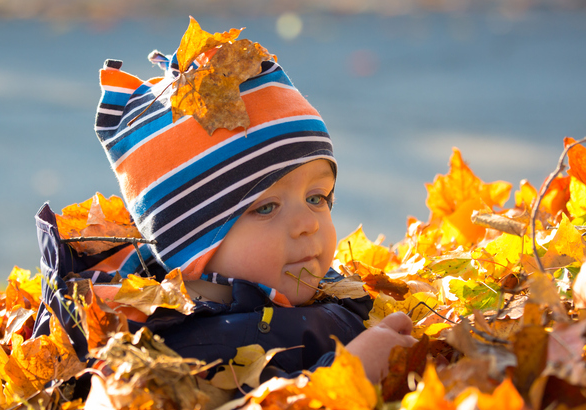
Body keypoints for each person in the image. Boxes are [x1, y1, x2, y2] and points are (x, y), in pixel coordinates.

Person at [32, 25, 416, 384]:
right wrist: (350, 373)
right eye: (266, 207)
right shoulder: (181, 347)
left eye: (316, 198)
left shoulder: (286, 287)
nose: (308, 224)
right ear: (192, 247)